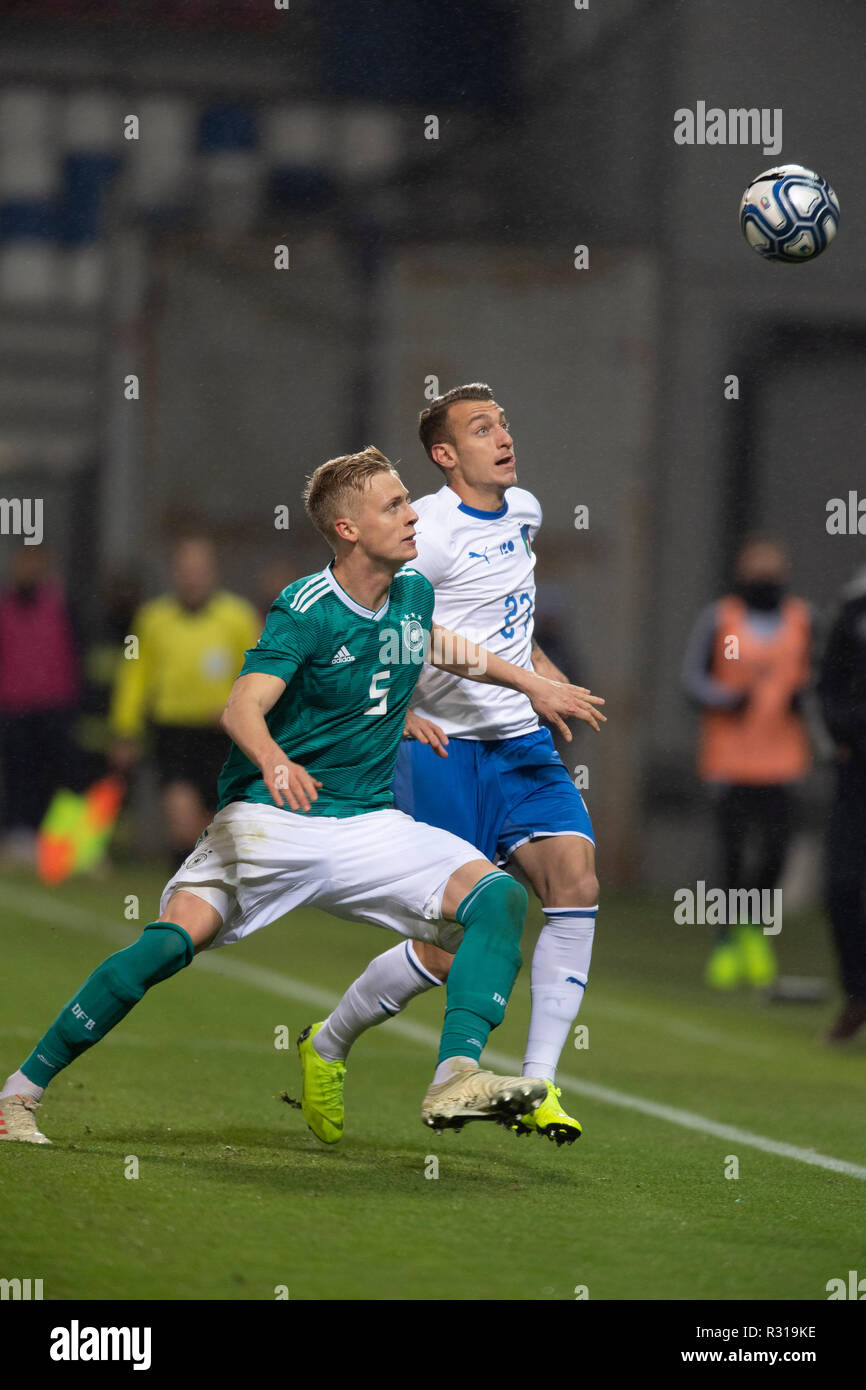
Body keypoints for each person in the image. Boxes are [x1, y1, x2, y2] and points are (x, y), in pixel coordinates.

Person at [0, 447, 604, 1145]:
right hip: (270, 821)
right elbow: (241, 707)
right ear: (348, 530)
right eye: (394, 506)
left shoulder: (411, 592)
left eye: (409, 500)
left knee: (497, 898)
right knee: (167, 946)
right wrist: (274, 759)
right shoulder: (304, 606)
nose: (413, 515)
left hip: (367, 823)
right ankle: (19, 1093)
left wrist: (526, 682)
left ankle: (456, 1076)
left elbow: (433, 642)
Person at [296, 385, 605, 1148]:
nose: (502, 435)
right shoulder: (425, 532)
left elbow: (508, 618)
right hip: (441, 753)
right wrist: (401, 709)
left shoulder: (524, 512)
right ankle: (328, 1042)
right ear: (445, 455)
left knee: (577, 882)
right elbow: (387, 624)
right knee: (448, 944)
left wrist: (543, 675)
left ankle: (539, 1081)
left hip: (520, 742)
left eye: (503, 421)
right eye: (480, 427)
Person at [682, 536, 812, 988]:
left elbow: (818, 674)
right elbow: (693, 679)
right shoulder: (721, 618)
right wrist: (725, 699)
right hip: (729, 760)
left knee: (775, 853)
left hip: (782, 759)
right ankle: (726, 942)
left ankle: (753, 929)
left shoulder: (801, 618)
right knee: (732, 856)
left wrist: (803, 699)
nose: (765, 580)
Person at [108, 536, 261, 864]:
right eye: (185, 570)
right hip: (173, 731)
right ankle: (181, 895)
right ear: (174, 574)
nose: (192, 578)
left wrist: (236, 710)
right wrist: (125, 730)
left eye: (199, 571)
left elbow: (256, 674)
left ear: (212, 574)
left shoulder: (236, 617)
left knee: (212, 828)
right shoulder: (152, 620)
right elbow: (134, 677)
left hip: (222, 735)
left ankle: (206, 900)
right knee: (181, 821)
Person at [0, 545, 81, 860]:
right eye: (23, 563)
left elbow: (76, 653)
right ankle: (21, 838)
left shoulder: (61, 606)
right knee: (20, 777)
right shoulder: (5, 607)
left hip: (55, 707)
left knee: (65, 776)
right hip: (14, 709)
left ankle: (69, 843)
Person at [817, 565, 866, 1043]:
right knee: (842, 886)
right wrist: (839, 733)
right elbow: (827, 683)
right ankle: (857, 995)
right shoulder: (854, 609)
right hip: (856, 771)